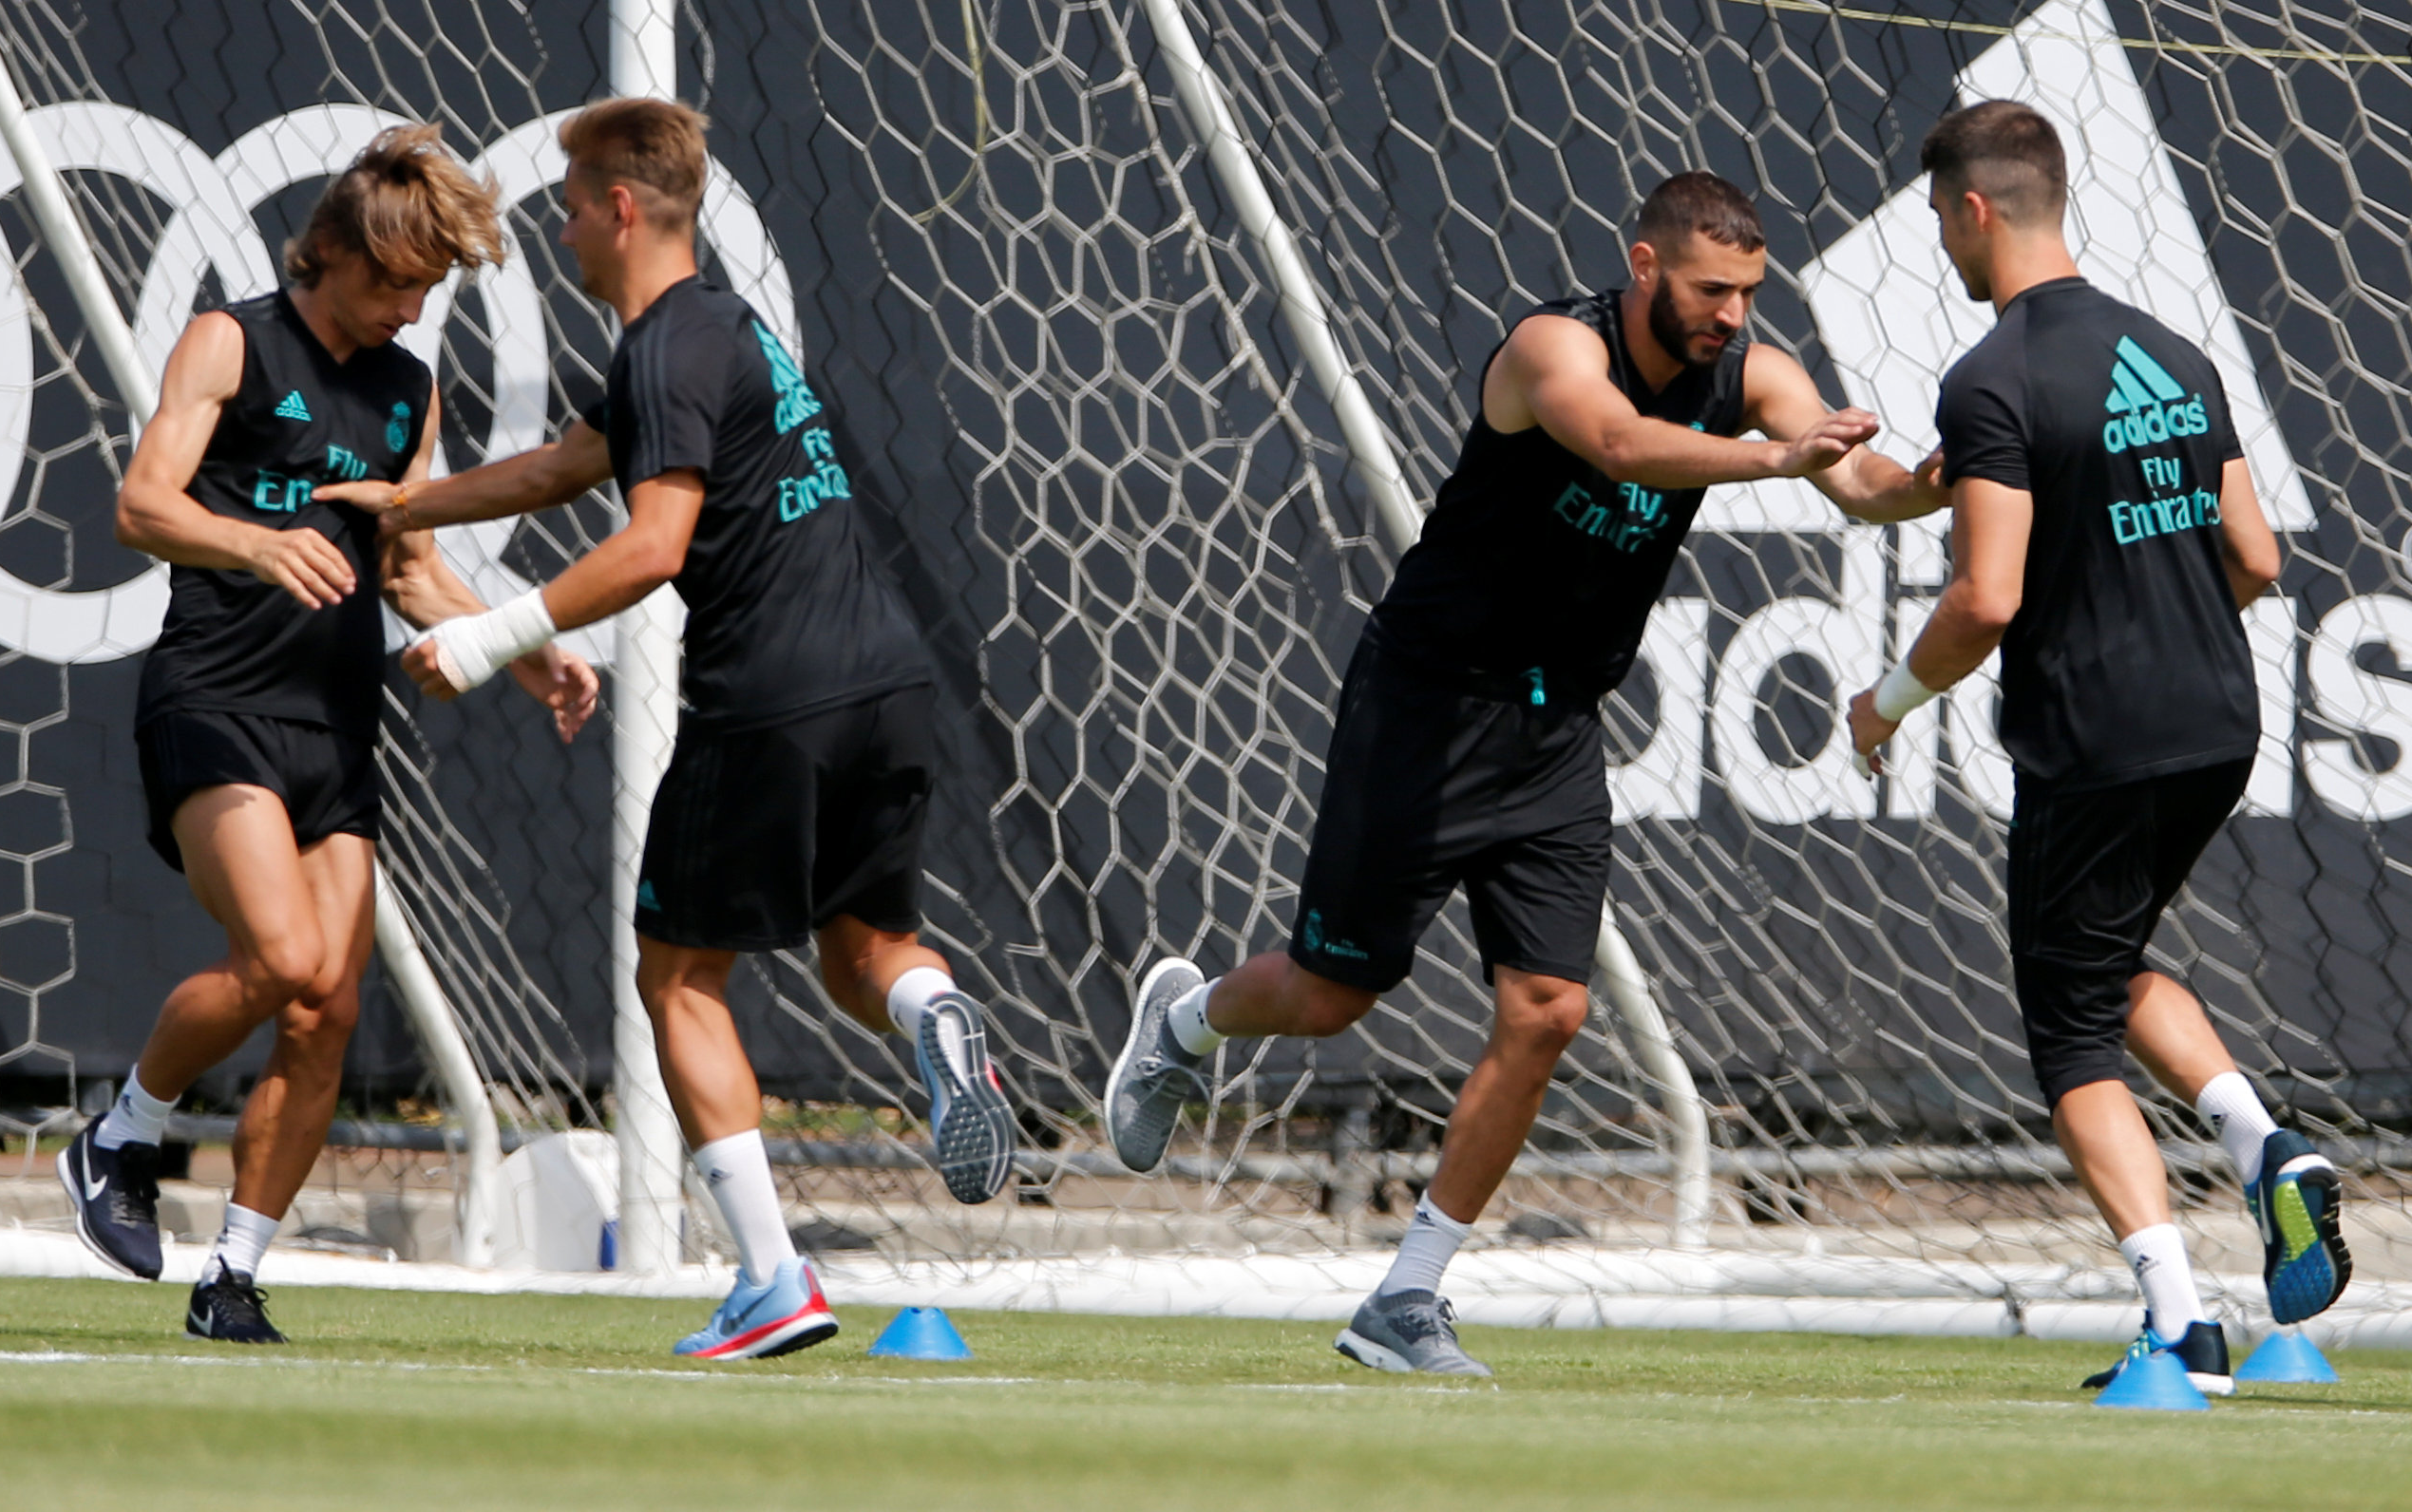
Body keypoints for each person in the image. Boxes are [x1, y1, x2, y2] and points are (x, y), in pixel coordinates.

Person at [1105, 172, 1949, 1376]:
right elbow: (1617, 445)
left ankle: (1407, 1296)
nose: (1731, 317)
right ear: (1645, 267)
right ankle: (1184, 1027)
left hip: (1557, 735)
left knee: (1549, 1010)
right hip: (1430, 711)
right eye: (1712, 291)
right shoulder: (1552, 346)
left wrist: (1934, 479)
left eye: (1750, 295)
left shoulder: (1752, 375)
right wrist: (1771, 459)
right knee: (1336, 993)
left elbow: (1859, 482)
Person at [318, 98, 1016, 1362]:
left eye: (576, 209)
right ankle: (941, 1027)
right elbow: (570, 462)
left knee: (676, 974)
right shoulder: (717, 329)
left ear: (624, 208)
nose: (569, 233)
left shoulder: (664, 351)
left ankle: (771, 1280)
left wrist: (485, 640)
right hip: (886, 683)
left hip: (770, 696)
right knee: (871, 953)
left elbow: (651, 547)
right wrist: (410, 502)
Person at [62, 125, 598, 1343]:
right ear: (338, 251)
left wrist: (526, 645)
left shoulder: (407, 388)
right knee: (286, 960)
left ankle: (234, 1275)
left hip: (334, 728)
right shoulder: (230, 340)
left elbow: (410, 569)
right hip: (213, 702)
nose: (413, 308)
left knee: (329, 1009)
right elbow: (143, 504)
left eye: (429, 289)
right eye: (397, 281)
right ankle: (122, 1134)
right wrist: (255, 541)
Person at [1848, 102, 2349, 1395]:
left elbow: (1986, 599)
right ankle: (2263, 1149)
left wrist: (1886, 705)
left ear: (1969, 212)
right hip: (2220, 721)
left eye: (1940, 221)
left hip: (2099, 733)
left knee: (2068, 1033)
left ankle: (2180, 1325)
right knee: (2107, 961)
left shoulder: (1996, 373)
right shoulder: (2174, 351)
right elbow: (2256, 557)